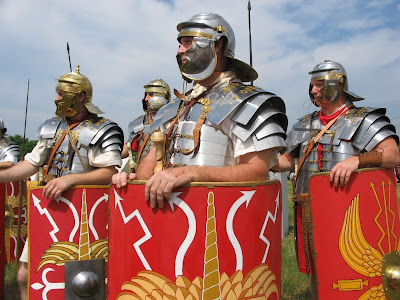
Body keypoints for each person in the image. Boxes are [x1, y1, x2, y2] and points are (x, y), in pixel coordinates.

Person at [112, 13, 288, 209]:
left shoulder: (248, 102)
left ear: (217, 44)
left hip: (219, 216)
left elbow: (257, 171)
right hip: (168, 221)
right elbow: (153, 158)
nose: (180, 50)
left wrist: (193, 173)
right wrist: (133, 180)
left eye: (188, 42)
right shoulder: (174, 108)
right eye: (180, 43)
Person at [277, 60, 400, 297]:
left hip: (348, 210)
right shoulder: (305, 124)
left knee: (349, 266)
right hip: (309, 207)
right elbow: (285, 161)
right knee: (316, 266)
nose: (313, 91)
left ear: (338, 85)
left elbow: (393, 155)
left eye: (320, 85)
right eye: (312, 85)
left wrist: (357, 160)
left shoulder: (363, 119)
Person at [0, 66, 124, 300]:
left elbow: (108, 173)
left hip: (85, 216)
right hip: (50, 212)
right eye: (56, 92)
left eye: (61, 93)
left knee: (84, 282)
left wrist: (71, 178)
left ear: (80, 96)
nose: (56, 98)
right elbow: (31, 164)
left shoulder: (102, 129)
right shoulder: (52, 127)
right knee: (25, 276)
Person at [121, 79, 171, 169]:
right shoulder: (139, 123)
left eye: (150, 95)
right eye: (146, 95)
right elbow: (126, 151)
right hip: (142, 172)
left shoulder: (174, 121)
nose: (146, 99)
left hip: (166, 174)